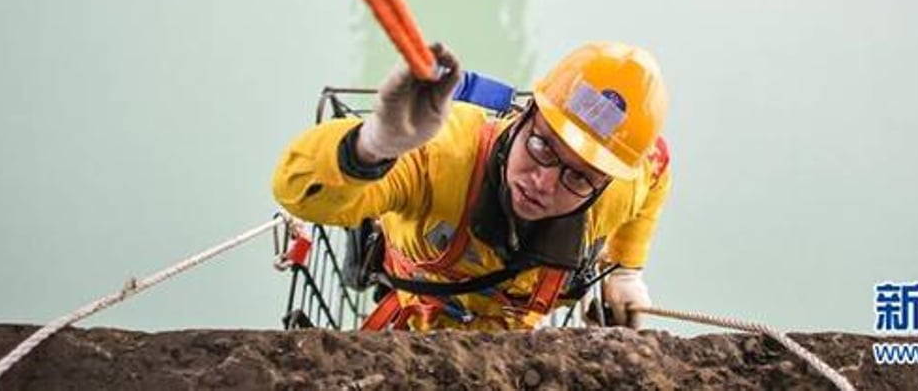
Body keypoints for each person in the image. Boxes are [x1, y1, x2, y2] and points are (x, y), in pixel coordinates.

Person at [273, 41, 672, 331]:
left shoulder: (618, 191)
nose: (543, 182)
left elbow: (657, 170)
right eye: (541, 146)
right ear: (523, 115)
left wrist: (626, 270)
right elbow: (296, 192)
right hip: (415, 323)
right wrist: (371, 146)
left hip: (516, 336)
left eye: (579, 176)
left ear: (604, 183)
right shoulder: (440, 158)